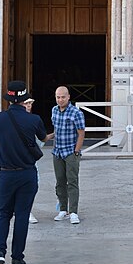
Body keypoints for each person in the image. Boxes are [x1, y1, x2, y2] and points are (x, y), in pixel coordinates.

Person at [0, 80, 48, 264]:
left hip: (5, 173)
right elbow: (42, 138)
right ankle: (17, 258)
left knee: (3, 213)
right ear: (24, 100)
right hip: (26, 174)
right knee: (22, 215)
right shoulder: (34, 119)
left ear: (9, 99)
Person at [52, 86, 85, 224]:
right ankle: (63, 210)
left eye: (63, 97)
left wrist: (76, 151)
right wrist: (46, 138)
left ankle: (74, 212)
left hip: (70, 151)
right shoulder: (54, 110)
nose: (60, 100)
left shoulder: (76, 113)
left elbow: (81, 133)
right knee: (60, 182)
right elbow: (56, 130)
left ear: (68, 97)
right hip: (57, 151)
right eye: (58, 97)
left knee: (72, 181)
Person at [23, 98, 45, 224]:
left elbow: (39, 140)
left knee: (33, 185)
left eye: (31, 103)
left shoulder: (33, 119)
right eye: (26, 103)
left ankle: (24, 209)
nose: (29, 106)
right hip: (20, 158)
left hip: (30, 158)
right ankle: (25, 211)